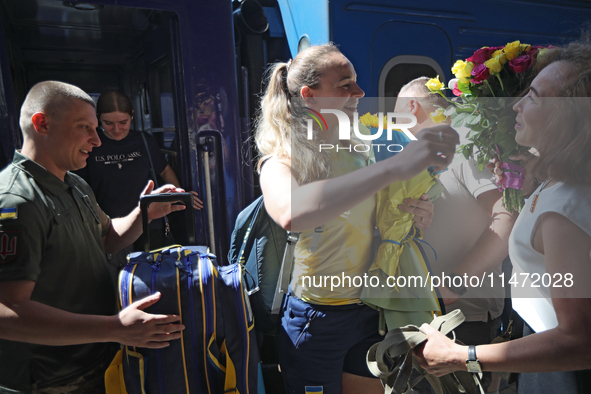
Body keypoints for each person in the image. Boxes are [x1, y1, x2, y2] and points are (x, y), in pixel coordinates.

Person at [255, 43, 459, 394]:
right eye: (345, 85)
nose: (359, 93)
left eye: (357, 83)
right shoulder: (281, 160)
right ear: (310, 95)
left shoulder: (364, 148)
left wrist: (415, 216)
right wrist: (393, 168)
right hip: (316, 319)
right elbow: (291, 213)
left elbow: (381, 219)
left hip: (371, 309)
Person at [414, 42, 591, 394]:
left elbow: (579, 341)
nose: (517, 104)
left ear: (567, 118)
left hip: (564, 373)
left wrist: (460, 355)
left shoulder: (563, 211)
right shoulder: (561, 186)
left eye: (535, 97)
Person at [0, 81, 186, 393]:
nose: (97, 140)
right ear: (42, 123)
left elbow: (105, 239)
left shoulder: (75, 184)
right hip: (51, 380)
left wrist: (144, 213)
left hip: (95, 361)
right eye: (85, 128)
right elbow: (7, 312)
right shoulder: (16, 201)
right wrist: (115, 328)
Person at [394, 77, 517, 394]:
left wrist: (452, 285)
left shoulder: (463, 146)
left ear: (411, 108)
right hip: (435, 314)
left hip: (462, 320)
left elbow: (507, 217)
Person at [75, 90, 203, 276]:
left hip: (150, 224)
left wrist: (180, 195)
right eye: (108, 123)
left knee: (155, 277)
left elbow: (164, 170)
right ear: (98, 120)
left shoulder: (144, 140)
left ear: (132, 116)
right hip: (111, 228)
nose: (117, 129)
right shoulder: (92, 144)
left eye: (123, 123)